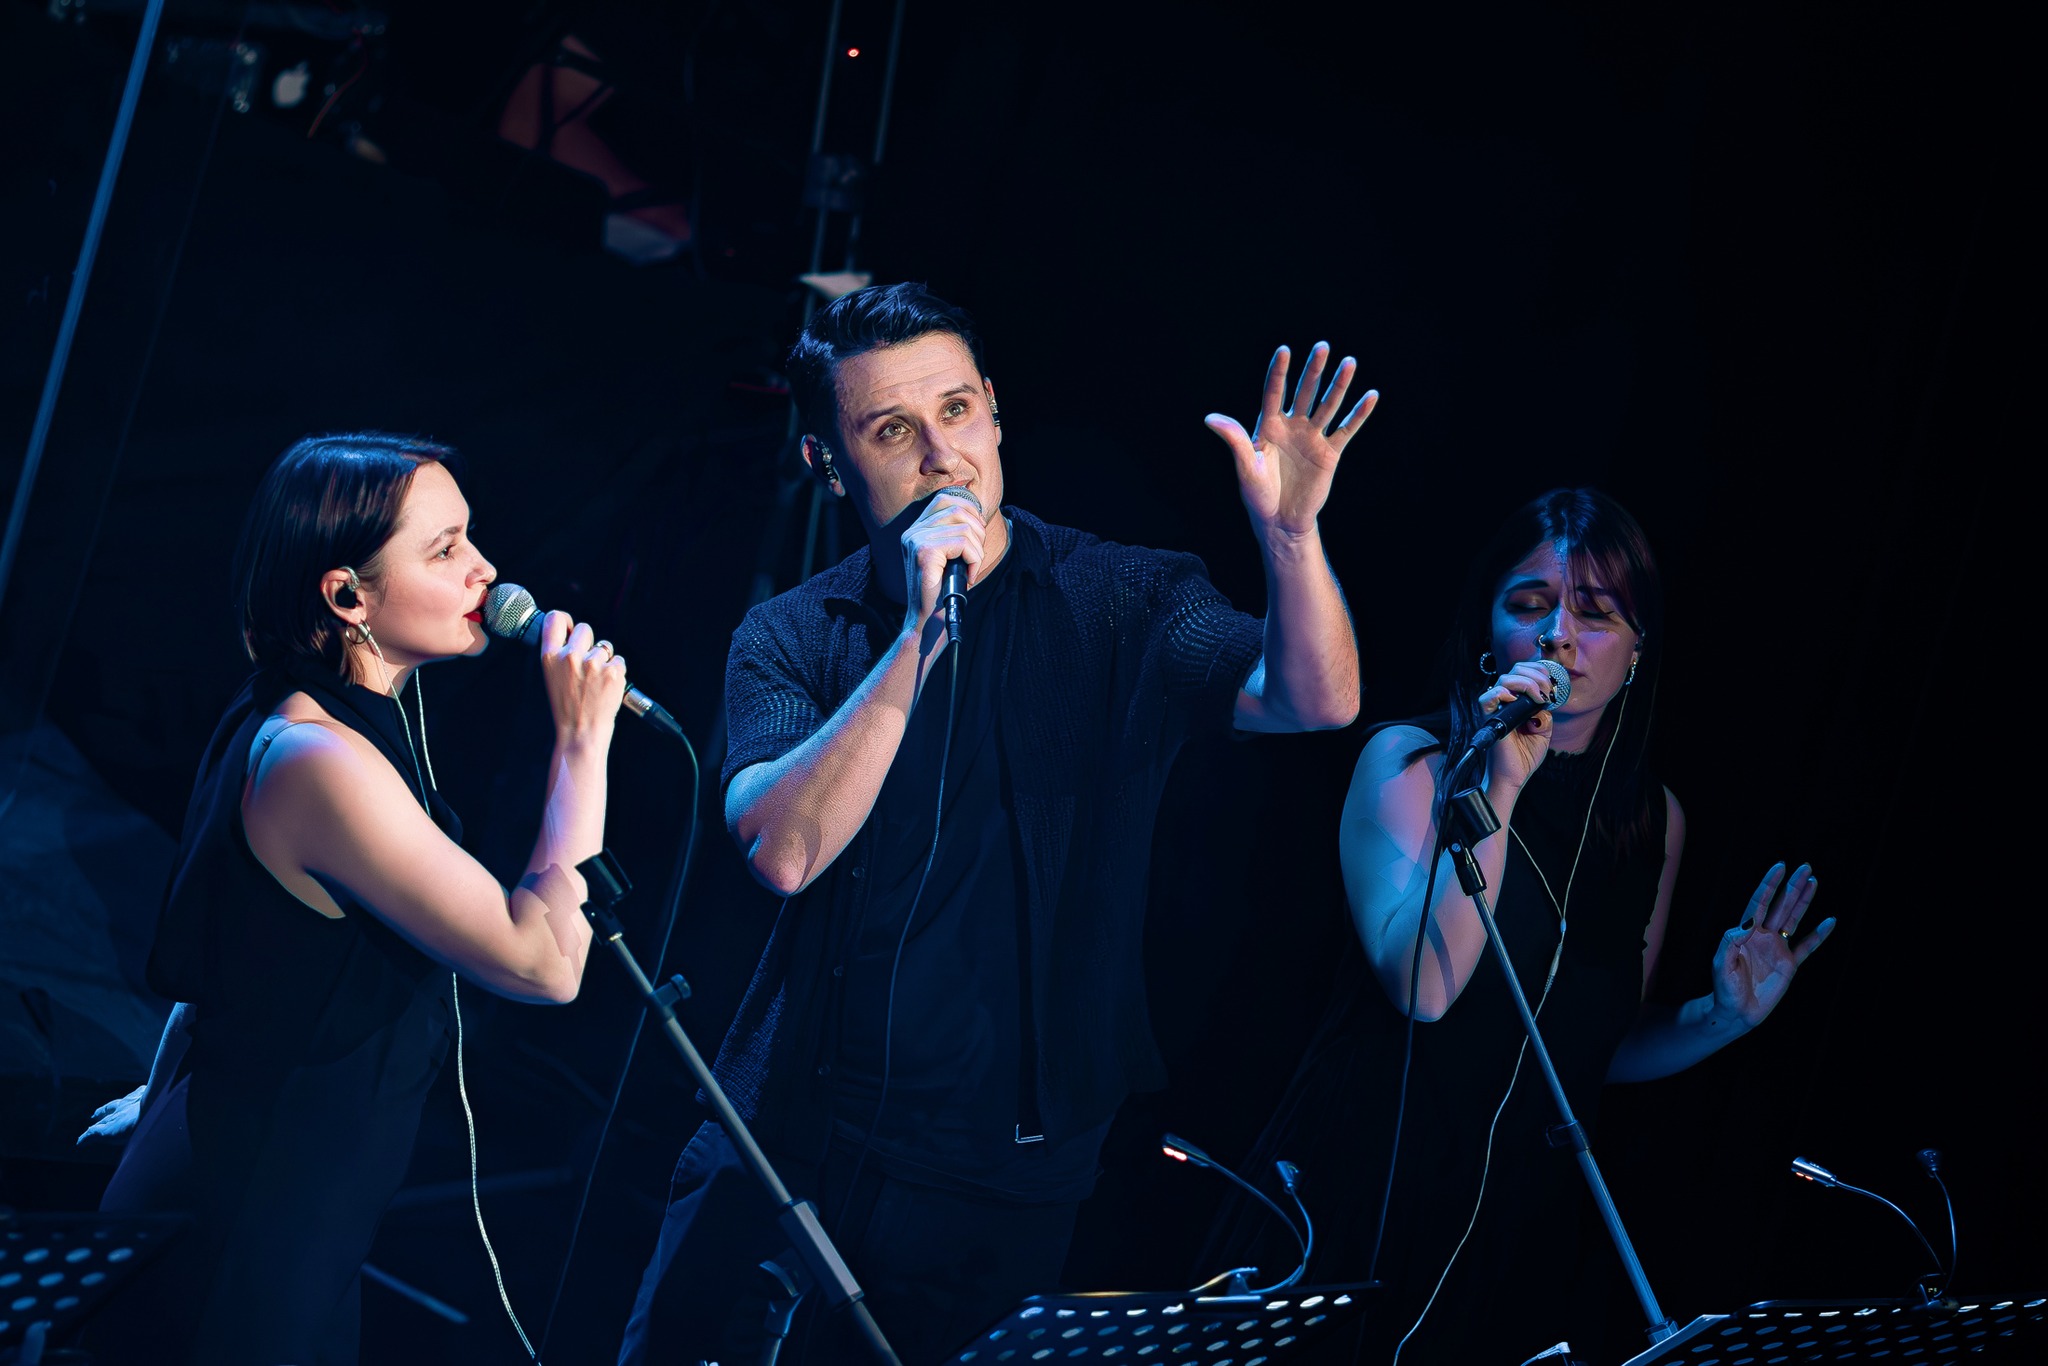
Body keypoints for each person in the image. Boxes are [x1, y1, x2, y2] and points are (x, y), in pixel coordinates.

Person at [619, 283, 1371, 1365]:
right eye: (891, 430)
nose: (943, 456)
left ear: (995, 412)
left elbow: (1315, 701)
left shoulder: (1117, 595)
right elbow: (782, 850)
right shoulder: (790, 634)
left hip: (999, 1180)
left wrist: (1291, 538)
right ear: (828, 463)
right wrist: (921, 632)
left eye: (957, 411)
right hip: (782, 1147)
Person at [1205, 487, 1836, 1363]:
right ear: (1489, 628)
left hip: (1516, 1230)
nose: (1559, 636)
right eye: (1531, 605)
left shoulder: (1652, 822)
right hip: (1364, 1194)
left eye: (1596, 613)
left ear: (1639, 649)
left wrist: (1721, 1020)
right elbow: (1425, 990)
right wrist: (1498, 786)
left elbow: (1590, 1049)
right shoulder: (1413, 762)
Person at [84, 432, 627, 1365]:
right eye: (445, 550)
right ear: (347, 597)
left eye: (471, 538)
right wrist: (582, 745)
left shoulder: (314, 725)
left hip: (277, 1207)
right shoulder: (318, 760)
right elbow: (546, 963)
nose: (485, 570)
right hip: (246, 1227)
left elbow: (221, 957)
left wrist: (164, 1097)